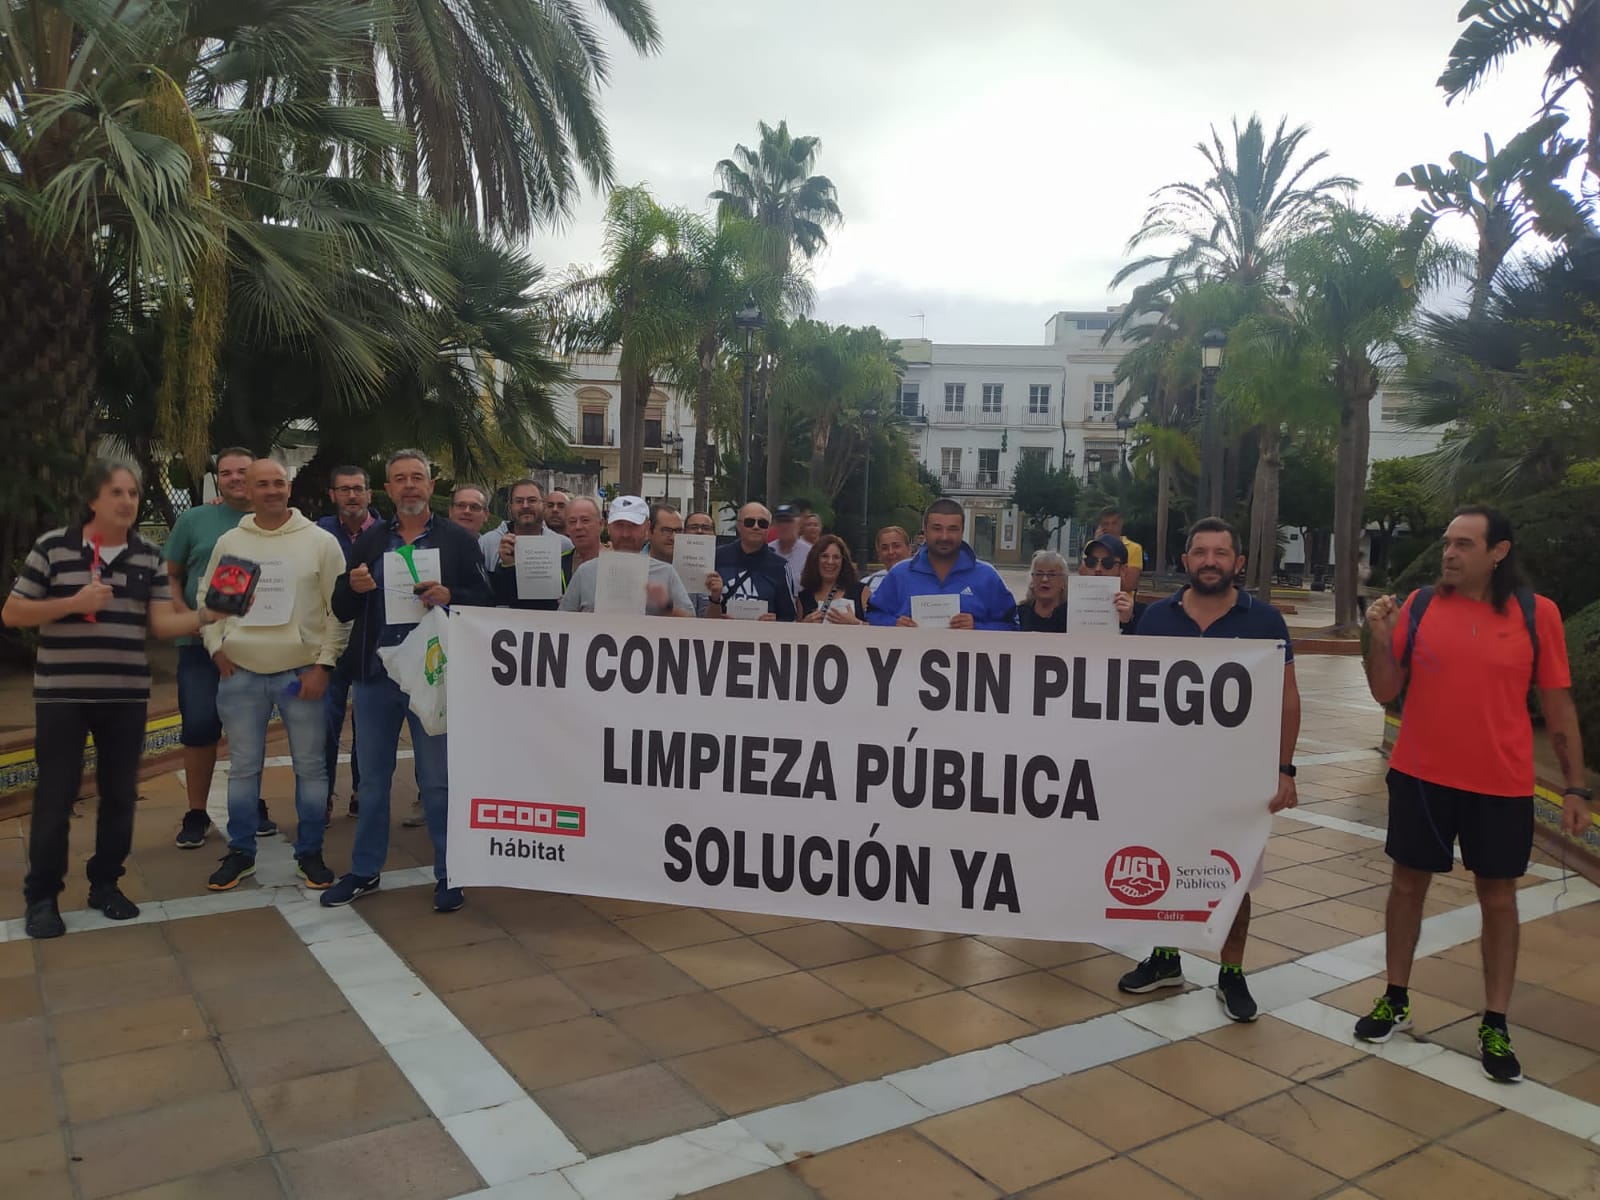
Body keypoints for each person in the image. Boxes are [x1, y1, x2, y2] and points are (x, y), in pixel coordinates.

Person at [1357, 506, 1588, 1082]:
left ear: (1498, 552)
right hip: (1420, 776)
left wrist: (1576, 787)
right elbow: (1385, 689)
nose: (1449, 553)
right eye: (1447, 543)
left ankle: (1495, 1021)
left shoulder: (1537, 614)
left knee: (1499, 899)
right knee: (1406, 886)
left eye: (1464, 544)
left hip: (1500, 784)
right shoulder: (1421, 606)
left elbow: (1558, 705)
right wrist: (1378, 637)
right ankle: (1395, 995)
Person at [5, 463, 225, 938]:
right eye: (116, 492)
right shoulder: (53, 548)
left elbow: (162, 624)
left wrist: (208, 614)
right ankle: (42, 897)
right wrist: (71, 603)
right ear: (93, 500)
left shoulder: (147, 555)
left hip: (125, 696)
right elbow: (13, 611)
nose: (127, 501)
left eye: (133, 493)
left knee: (120, 795)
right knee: (55, 795)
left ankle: (105, 883)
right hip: (62, 695)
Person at [1116, 517, 1300, 1021]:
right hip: (1167, 774)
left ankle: (1232, 972)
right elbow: (1133, 695)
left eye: (1220, 553)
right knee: (1163, 862)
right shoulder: (1156, 619)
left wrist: (1285, 769)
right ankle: (1166, 957)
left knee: (1235, 876)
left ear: (1238, 562)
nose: (1210, 562)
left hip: (1238, 777)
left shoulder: (1265, 622)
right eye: (1200, 552)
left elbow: (1286, 699)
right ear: (1186, 561)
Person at [325, 449, 493, 913]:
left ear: (431, 485)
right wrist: (352, 587)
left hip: (433, 674)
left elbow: (485, 599)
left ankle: (449, 872)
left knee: (437, 780)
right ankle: (364, 870)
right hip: (377, 676)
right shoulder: (371, 540)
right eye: (400, 478)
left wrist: (451, 595)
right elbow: (341, 606)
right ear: (388, 488)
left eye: (417, 477)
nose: (410, 485)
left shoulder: (457, 540)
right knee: (372, 780)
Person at [200, 461, 351, 892]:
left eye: (278, 483)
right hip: (241, 674)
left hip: (300, 675)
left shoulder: (320, 542)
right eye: (262, 484)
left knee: (311, 768)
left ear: (289, 487)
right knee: (243, 768)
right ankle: (241, 851)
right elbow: (208, 597)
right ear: (247, 490)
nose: (271, 490)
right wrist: (215, 647)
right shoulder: (231, 542)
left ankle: (310, 852)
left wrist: (324, 665)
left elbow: (340, 610)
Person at [163, 447, 270, 848]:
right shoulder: (194, 520)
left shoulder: (274, 520)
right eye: (226, 473)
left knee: (250, 728)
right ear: (217, 479)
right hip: (198, 644)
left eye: (243, 471)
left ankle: (251, 803)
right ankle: (196, 812)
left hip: (255, 643)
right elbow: (170, 574)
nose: (235, 478)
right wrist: (185, 616)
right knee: (199, 726)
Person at [316, 465, 375, 818]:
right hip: (328, 644)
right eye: (344, 489)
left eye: (358, 489)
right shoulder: (316, 533)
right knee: (324, 722)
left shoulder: (386, 534)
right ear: (332, 495)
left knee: (367, 725)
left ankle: (361, 791)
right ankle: (321, 796)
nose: (352, 496)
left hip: (371, 642)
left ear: (369, 493)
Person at [865, 500, 1017, 630]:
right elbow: (872, 615)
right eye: (937, 529)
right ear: (925, 530)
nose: (944, 536)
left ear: (962, 531)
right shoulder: (899, 574)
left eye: (952, 529)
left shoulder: (987, 576)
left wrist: (977, 627)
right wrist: (893, 624)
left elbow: (1013, 625)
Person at [559, 496, 694, 616]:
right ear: (608, 527)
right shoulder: (585, 572)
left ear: (647, 528)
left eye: (633, 526)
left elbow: (692, 624)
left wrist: (667, 607)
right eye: (619, 526)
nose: (625, 534)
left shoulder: (666, 573)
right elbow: (562, 621)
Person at [712, 503, 798, 622]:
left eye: (762, 523)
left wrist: (776, 621)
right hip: (722, 632)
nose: (756, 527)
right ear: (739, 526)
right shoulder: (718, 557)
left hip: (764, 633)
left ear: (768, 529)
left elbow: (790, 616)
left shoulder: (781, 567)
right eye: (749, 522)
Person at [480, 479, 571, 572]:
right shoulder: (487, 544)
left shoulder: (564, 546)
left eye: (532, 500)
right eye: (519, 501)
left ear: (544, 506)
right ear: (510, 507)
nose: (525, 506)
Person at [1078, 533, 1143, 632]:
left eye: (1108, 563)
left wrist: (1127, 622)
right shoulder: (1067, 611)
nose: (1098, 569)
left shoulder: (1142, 615)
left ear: (1123, 570)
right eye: (1091, 562)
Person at [798, 535, 865, 624]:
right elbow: (795, 631)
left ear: (843, 561)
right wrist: (805, 624)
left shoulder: (861, 591)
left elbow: (878, 628)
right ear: (815, 560)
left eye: (836, 557)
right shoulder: (803, 598)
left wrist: (856, 623)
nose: (830, 562)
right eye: (824, 556)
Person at [861, 525, 911, 611]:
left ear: (909, 549)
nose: (891, 552)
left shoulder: (925, 580)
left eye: (896, 546)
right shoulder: (865, 584)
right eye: (884, 548)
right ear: (879, 554)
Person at [1016, 550, 1068, 632]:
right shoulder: (1018, 614)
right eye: (1039, 574)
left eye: (1052, 575)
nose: (1044, 579)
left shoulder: (1071, 616)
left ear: (1063, 581)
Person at [1096, 507, 1145, 594]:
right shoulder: (1091, 546)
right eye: (1106, 524)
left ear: (1121, 523)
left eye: (1114, 523)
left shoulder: (1134, 548)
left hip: (1122, 600)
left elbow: (1129, 585)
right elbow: (1084, 576)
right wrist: (1097, 543)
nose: (1110, 528)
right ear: (1101, 526)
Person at [771, 505, 812, 592]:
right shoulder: (767, 551)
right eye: (780, 522)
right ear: (774, 525)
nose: (784, 526)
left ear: (798, 523)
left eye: (788, 521)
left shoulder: (810, 552)